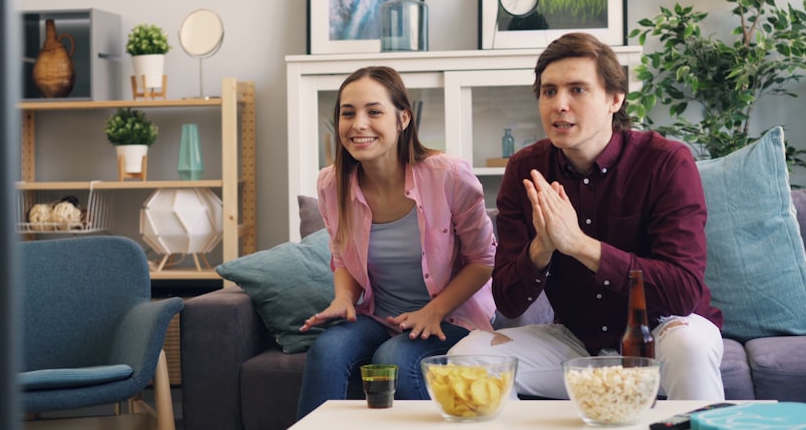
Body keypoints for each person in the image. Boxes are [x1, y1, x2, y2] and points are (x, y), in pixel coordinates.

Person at [447, 32, 725, 401]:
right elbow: (509, 301)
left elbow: (683, 292)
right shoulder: (526, 170)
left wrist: (579, 245)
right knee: (466, 357)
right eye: (549, 91)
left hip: (664, 332)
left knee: (689, 345)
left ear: (614, 98)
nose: (559, 104)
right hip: (577, 341)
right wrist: (541, 249)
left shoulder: (666, 162)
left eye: (577, 90)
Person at [296, 66, 497, 419]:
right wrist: (343, 298)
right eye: (347, 113)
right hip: (379, 314)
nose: (358, 124)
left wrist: (433, 311)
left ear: (402, 118)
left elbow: (484, 259)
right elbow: (342, 256)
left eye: (374, 111)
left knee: (395, 359)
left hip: (448, 316)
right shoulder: (331, 183)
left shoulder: (449, 176)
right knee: (327, 348)